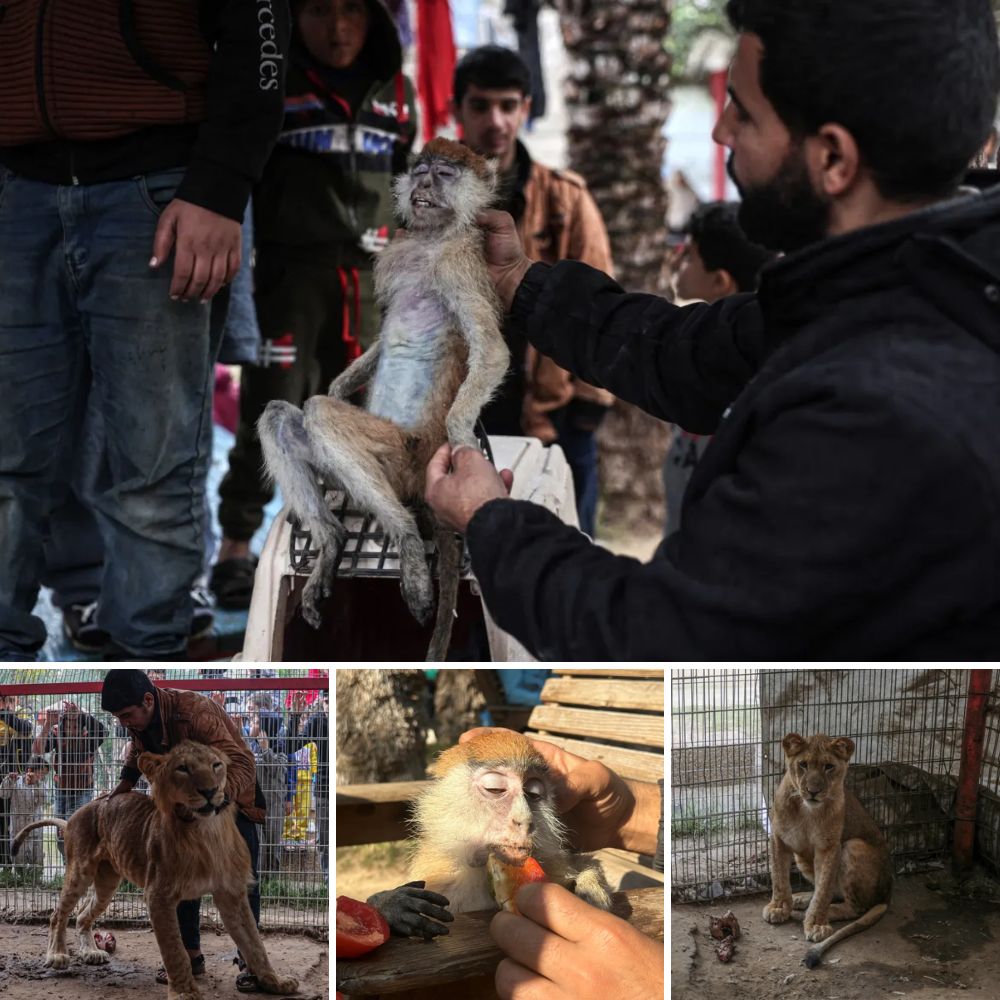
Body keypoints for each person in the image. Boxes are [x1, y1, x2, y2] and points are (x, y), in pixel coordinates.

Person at [424, 0, 1000, 659]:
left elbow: (654, 635)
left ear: (833, 158)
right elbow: (685, 354)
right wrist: (520, 281)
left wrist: (488, 519)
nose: (721, 132)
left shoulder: (873, 412)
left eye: (745, 112)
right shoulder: (898, 281)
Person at [0, 3, 290, 661]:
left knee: (151, 465)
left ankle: (147, 663)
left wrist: (219, 188)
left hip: (157, 190)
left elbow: (258, 26)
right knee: (8, 464)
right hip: (15, 189)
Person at [210, 0, 417, 609]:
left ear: (376, 17)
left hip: (371, 283)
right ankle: (236, 545)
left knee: (363, 415)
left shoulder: (398, 95)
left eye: (353, 11)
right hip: (290, 278)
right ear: (293, 17)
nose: (339, 28)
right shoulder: (274, 83)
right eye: (321, 10)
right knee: (270, 408)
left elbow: (407, 185)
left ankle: (352, 544)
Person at [452, 45, 615, 538]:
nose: (496, 121)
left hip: (550, 416)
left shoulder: (566, 197)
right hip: (460, 414)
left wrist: (589, 405)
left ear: (526, 107)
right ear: (457, 108)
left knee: (572, 550)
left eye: (508, 105)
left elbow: (600, 298)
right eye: (480, 105)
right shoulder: (425, 199)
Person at [457, 727, 663, 1000]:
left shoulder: (555, 867)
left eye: (533, 792)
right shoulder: (434, 867)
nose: (524, 816)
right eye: (495, 788)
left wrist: (586, 874)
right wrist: (628, 814)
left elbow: (576, 871)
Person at [101, 669, 267, 990]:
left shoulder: (195, 711)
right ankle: (191, 957)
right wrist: (122, 787)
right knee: (179, 874)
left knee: (241, 883)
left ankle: (250, 964)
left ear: (147, 700)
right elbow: (139, 752)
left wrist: (215, 802)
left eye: (125, 715)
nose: (123, 723)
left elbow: (243, 762)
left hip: (233, 800)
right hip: (185, 807)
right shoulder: (143, 720)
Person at [665, 202, 776, 534]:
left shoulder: (747, 386)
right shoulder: (699, 355)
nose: (675, 262)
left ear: (720, 282)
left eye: (688, 257)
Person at [32, 701, 108, 857]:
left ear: (82, 728)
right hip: (61, 790)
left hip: (82, 791)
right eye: (68, 726)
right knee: (61, 835)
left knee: (78, 831)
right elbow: (37, 750)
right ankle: (69, 866)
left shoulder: (88, 738)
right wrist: (47, 724)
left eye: (75, 726)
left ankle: (79, 867)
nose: (72, 730)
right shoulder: (57, 735)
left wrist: (81, 715)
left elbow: (103, 732)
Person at [286, 690, 329, 874]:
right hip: (324, 790)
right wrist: (295, 716)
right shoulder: (318, 720)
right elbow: (290, 747)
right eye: (326, 701)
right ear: (322, 701)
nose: (329, 706)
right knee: (326, 842)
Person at [0, 756, 50, 869]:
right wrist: (8, 780)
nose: (41, 777)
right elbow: (3, 794)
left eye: (44, 775)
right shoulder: (16, 781)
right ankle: (20, 878)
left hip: (35, 828)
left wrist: (37, 785)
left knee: (36, 860)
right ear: (29, 770)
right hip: (18, 828)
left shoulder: (41, 785)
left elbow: (43, 801)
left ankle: (36, 878)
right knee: (18, 859)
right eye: (40, 773)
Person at [0, 693, 32, 865]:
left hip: (13, 775)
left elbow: (26, 728)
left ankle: (17, 864)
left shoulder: (21, 713)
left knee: (12, 819)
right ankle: (4, 863)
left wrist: (4, 713)